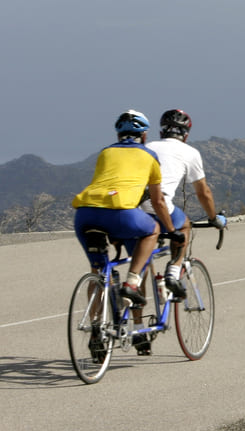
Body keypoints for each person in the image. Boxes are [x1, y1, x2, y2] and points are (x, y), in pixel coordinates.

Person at [72, 109, 180, 310]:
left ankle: (95, 325)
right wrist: (172, 231)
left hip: (84, 213)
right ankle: (132, 282)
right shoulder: (150, 156)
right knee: (153, 229)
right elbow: (158, 201)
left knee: (99, 272)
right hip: (119, 211)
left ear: (118, 135)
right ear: (144, 135)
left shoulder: (105, 152)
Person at [143, 108, 227, 298]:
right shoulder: (190, 152)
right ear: (186, 135)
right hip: (161, 204)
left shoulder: (148, 146)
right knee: (184, 225)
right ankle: (173, 271)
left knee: (142, 260)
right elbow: (203, 193)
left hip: (137, 207)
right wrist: (214, 218)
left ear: (162, 132)